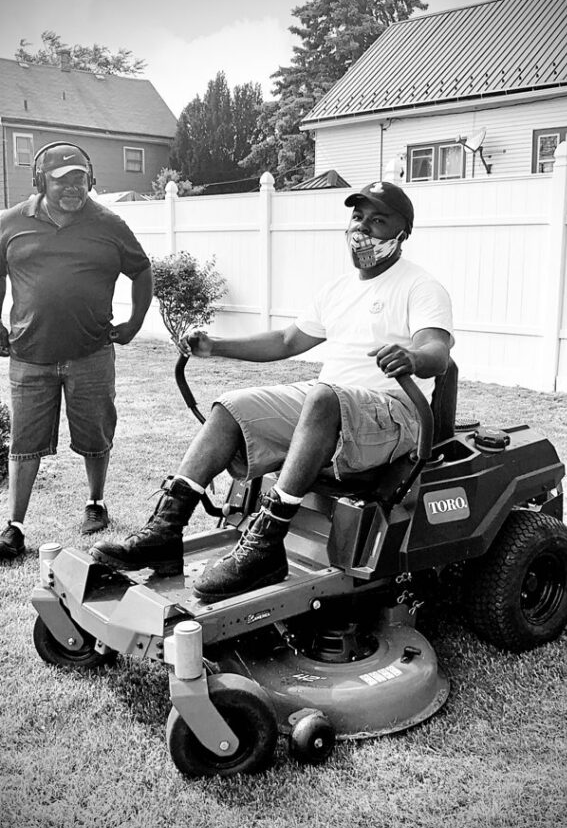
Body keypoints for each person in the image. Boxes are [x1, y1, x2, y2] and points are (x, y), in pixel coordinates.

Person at [92, 180, 453, 602]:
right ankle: (166, 531)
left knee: (322, 396)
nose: (363, 229)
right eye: (358, 217)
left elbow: (437, 350)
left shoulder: (420, 286)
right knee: (231, 407)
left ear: (401, 234)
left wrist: (413, 356)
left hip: (395, 411)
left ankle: (265, 546)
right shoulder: (338, 289)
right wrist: (216, 347)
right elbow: (285, 342)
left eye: (378, 221)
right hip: (336, 401)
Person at [0, 142, 154, 561]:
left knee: (95, 433)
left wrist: (135, 321)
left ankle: (96, 503)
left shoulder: (109, 223)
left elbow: (141, 270)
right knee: (25, 441)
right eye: (61, 180)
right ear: (40, 181)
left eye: (79, 179)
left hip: (91, 353)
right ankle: (14, 527)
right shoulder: (11, 222)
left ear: (91, 180)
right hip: (30, 354)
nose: (72, 188)